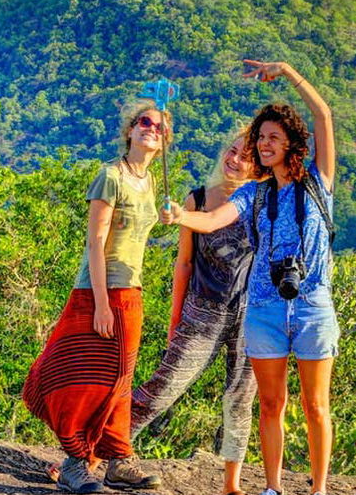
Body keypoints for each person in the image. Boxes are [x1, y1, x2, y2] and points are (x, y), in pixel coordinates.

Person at [162, 59, 338, 495]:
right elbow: (214, 220)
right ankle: (273, 487)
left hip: (313, 305)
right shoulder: (253, 193)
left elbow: (324, 116)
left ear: (292, 143)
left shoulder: (319, 180)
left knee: (316, 406)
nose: (263, 144)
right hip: (264, 308)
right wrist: (182, 215)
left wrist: (289, 72)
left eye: (273, 138)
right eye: (261, 137)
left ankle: (318, 490)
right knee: (270, 404)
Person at [23, 102, 168, 494]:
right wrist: (102, 303)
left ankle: (118, 460)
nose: (151, 129)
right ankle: (75, 460)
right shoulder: (110, 176)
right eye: (144, 122)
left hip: (132, 289)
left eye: (158, 126)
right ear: (130, 130)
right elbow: (95, 241)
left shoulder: (151, 182)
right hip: (98, 290)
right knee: (82, 377)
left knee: (120, 379)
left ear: (164, 139)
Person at [131, 129, 263, 495]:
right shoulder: (198, 199)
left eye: (246, 157)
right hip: (201, 312)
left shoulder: (262, 204)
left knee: (240, 401)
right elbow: (184, 264)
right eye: (233, 151)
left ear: (258, 167)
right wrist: (175, 319)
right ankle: (94, 456)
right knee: (161, 390)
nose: (235, 159)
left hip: (249, 317)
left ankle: (232, 485)